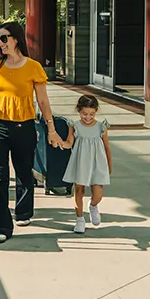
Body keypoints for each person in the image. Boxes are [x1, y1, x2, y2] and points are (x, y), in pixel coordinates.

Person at [0, 22, 63, 244]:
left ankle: (23, 211)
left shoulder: (33, 67)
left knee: (23, 173)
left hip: (24, 126)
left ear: (16, 39)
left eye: (3, 38)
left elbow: (43, 101)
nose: (0, 44)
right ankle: (1, 226)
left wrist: (51, 128)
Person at [61, 95, 113, 234]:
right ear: (79, 111)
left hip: (97, 162)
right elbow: (69, 143)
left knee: (98, 194)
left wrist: (109, 165)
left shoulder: (101, 127)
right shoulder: (74, 126)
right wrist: (60, 143)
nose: (88, 117)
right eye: (84, 114)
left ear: (96, 112)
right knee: (79, 190)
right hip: (80, 161)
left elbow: (107, 147)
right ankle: (80, 220)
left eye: (91, 114)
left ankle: (93, 205)